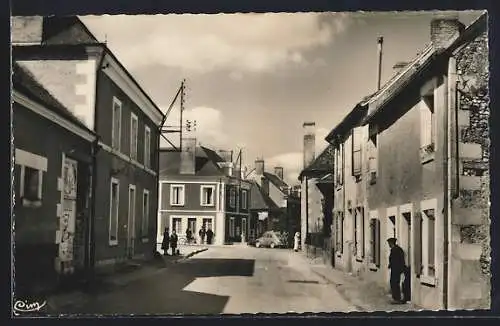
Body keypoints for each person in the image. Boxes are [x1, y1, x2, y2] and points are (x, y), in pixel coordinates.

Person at [387, 237, 407, 304]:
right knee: (393, 283)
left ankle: (397, 298)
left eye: (389, 243)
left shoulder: (396, 250)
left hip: (396, 269)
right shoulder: (395, 249)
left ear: (391, 243)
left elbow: (398, 260)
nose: (388, 244)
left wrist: (400, 268)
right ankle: (395, 298)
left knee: (395, 283)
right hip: (395, 269)